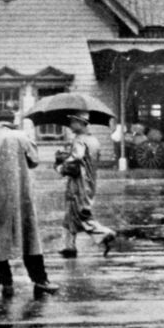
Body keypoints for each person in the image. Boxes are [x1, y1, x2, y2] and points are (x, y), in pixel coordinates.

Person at [0, 109, 59, 295]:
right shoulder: (23, 137)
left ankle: (5, 282)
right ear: (12, 121)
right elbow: (34, 161)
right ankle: (40, 279)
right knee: (30, 236)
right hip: (22, 193)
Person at [56, 111, 117, 258]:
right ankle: (69, 246)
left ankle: (105, 233)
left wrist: (61, 162)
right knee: (70, 215)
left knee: (80, 213)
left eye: (72, 122)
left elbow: (76, 157)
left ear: (81, 123)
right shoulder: (94, 140)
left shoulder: (79, 140)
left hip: (78, 183)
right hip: (89, 181)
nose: (70, 125)